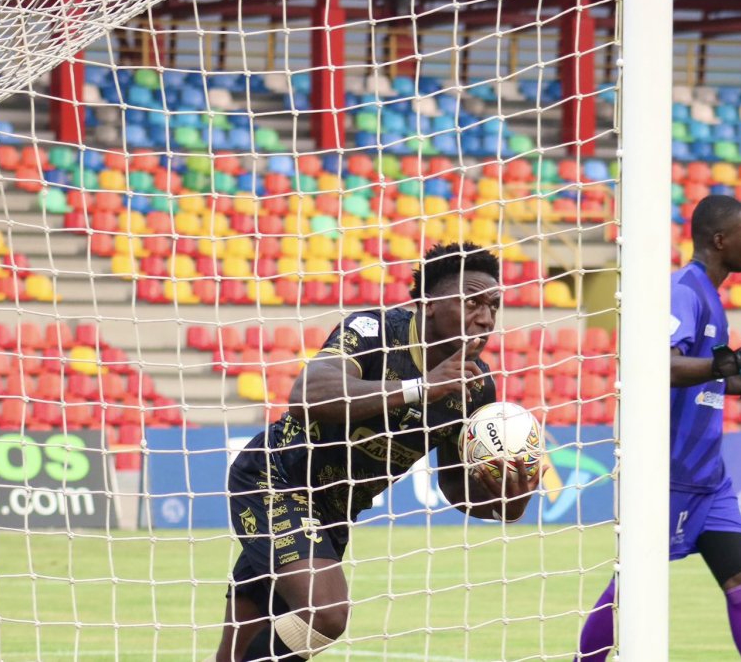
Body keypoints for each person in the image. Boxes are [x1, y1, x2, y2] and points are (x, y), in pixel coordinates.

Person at [212, 242, 543, 661]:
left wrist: (508, 499)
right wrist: (419, 388)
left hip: (334, 509)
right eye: (470, 302)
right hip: (276, 477)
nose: (484, 317)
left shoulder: (476, 387)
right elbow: (307, 393)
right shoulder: (374, 331)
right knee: (325, 614)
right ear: (426, 304)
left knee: (245, 644)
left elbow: (455, 488)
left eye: (493, 305)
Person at [577, 195, 741, 661]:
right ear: (721, 240)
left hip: (709, 480)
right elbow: (662, 365)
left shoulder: (709, 297)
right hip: (671, 477)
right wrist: (730, 368)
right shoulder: (684, 290)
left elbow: (706, 373)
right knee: (630, 590)